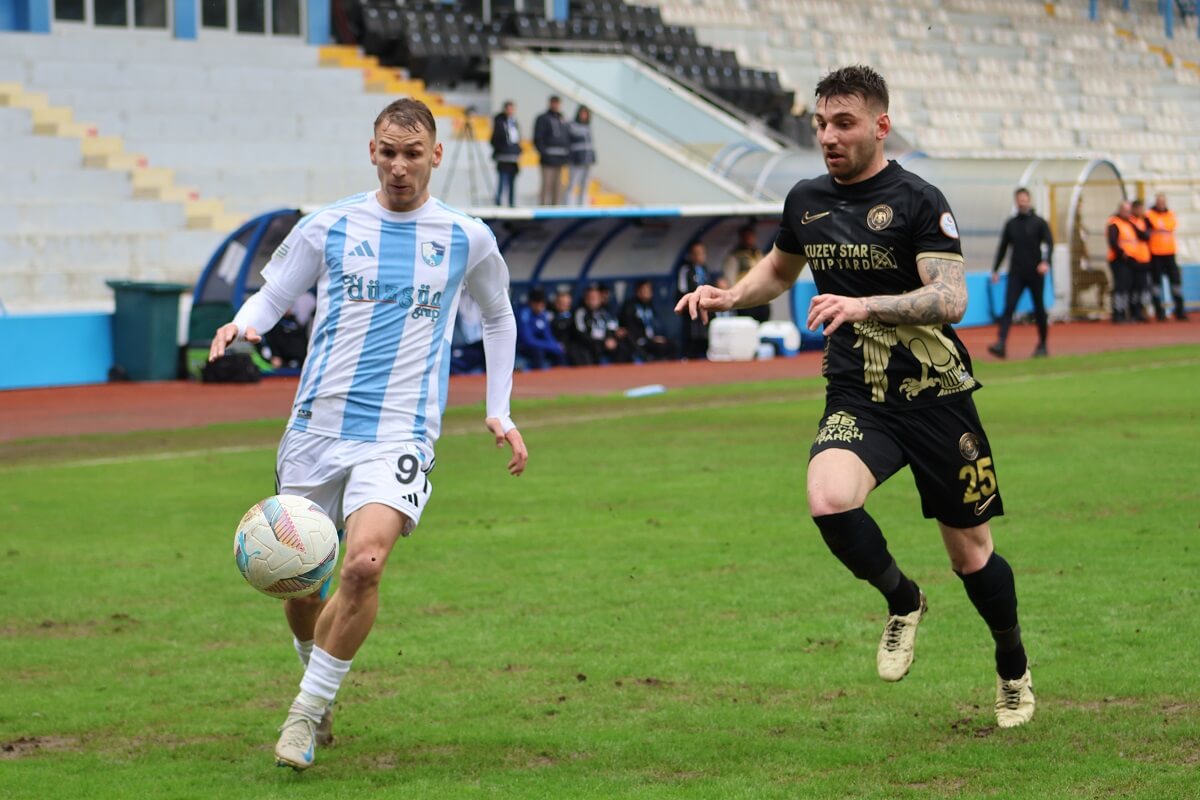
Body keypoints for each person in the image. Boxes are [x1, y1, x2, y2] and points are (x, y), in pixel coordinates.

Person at [676, 65, 1034, 729]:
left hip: (936, 397)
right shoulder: (805, 199)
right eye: (820, 124)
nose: (828, 136)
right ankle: (903, 599)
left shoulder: (919, 199)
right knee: (828, 499)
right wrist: (732, 295)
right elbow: (779, 268)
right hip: (859, 395)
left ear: (880, 125)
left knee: (971, 555)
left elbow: (951, 298)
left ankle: (1012, 664)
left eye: (843, 123)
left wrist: (865, 304)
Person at [208, 98, 529, 771]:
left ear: (435, 155)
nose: (399, 166)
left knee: (364, 564)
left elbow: (498, 317)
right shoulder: (328, 226)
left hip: (401, 433)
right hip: (315, 428)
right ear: (372, 151)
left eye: (412, 154)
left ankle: (303, 714)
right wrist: (246, 323)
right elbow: (275, 293)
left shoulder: (467, 237)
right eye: (388, 152)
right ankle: (316, 680)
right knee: (302, 583)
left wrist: (498, 409)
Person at [987, 188, 1054, 359]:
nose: (1022, 202)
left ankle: (1043, 344)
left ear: (1029, 200)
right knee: (1009, 306)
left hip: (1035, 273)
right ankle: (1001, 343)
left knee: (1039, 308)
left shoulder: (1039, 222)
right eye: (1019, 200)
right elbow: (1003, 248)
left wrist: (1045, 262)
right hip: (1016, 272)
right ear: (1016, 202)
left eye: (1025, 199)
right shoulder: (1011, 224)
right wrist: (995, 269)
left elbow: (1048, 243)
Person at [1146, 194, 1186, 321]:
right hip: (1155, 254)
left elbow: (1171, 226)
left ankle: (1180, 311)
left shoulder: (1170, 214)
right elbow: (1154, 227)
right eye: (1159, 202)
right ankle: (1159, 312)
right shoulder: (1149, 215)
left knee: (1176, 282)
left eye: (1163, 202)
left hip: (1169, 253)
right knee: (1156, 285)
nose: (1161, 204)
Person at [573, 282, 632, 364]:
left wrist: (613, 337)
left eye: (595, 297)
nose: (593, 300)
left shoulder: (604, 312)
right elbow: (581, 333)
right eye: (590, 297)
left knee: (624, 347)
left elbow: (612, 327)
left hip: (607, 342)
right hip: (591, 344)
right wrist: (602, 342)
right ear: (586, 298)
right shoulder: (580, 312)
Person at [723, 224, 770, 322]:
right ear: (742, 238)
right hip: (745, 301)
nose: (749, 239)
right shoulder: (735, 256)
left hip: (761, 300)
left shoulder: (758, 254)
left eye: (751, 236)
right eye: (746, 236)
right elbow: (730, 279)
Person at [619, 279, 675, 361]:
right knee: (659, 347)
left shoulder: (650, 306)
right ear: (638, 291)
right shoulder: (630, 307)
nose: (648, 293)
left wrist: (658, 336)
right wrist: (650, 339)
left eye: (649, 290)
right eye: (645, 290)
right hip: (640, 340)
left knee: (672, 344)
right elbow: (631, 328)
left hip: (653, 339)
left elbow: (657, 325)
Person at [674, 241, 711, 359]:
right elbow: (682, 290)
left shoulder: (705, 269)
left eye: (702, 253)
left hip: (704, 308)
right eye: (696, 253)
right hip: (691, 309)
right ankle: (688, 358)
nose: (699, 256)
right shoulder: (686, 270)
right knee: (691, 336)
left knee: (705, 337)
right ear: (691, 255)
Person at [533, 95, 570, 205]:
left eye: (557, 103)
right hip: (548, 159)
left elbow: (566, 137)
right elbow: (538, 137)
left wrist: (566, 155)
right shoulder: (543, 118)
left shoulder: (562, 119)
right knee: (546, 185)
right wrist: (544, 152)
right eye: (554, 103)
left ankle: (555, 208)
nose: (555, 105)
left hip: (559, 159)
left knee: (558, 187)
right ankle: (543, 207)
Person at [516, 287, 565, 369]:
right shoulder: (524, 314)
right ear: (531, 303)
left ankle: (561, 375)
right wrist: (548, 345)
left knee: (559, 352)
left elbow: (548, 335)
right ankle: (537, 376)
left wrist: (555, 345)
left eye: (542, 304)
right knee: (538, 352)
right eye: (537, 304)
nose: (540, 307)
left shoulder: (543, 314)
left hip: (541, 345)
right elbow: (528, 340)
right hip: (525, 347)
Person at [1106, 201, 1138, 324]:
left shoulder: (1130, 222)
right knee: (1120, 287)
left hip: (1130, 260)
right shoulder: (1114, 223)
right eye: (1126, 211)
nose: (1128, 213)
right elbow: (1113, 242)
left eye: (1129, 211)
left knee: (1128, 287)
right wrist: (1122, 253)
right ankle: (1118, 313)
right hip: (1118, 260)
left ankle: (1126, 312)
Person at [489, 101, 521, 207]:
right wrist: (501, 149)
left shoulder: (514, 122)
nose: (510, 111)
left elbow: (517, 138)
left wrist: (517, 150)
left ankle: (511, 203)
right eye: (508, 109)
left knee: (512, 182)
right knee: (502, 180)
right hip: (503, 157)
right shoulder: (500, 122)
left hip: (513, 157)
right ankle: (498, 202)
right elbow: (495, 138)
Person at [566, 105, 596, 206]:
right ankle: (568, 206)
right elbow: (569, 142)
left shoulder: (588, 127)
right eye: (582, 113)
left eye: (586, 113)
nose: (584, 115)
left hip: (587, 160)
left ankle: (582, 205)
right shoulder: (572, 126)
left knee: (585, 185)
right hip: (576, 160)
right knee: (572, 184)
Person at [1128, 199, 1153, 322]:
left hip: (1145, 258)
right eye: (1139, 209)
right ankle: (1134, 312)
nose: (1142, 211)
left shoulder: (1144, 220)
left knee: (1144, 287)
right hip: (1133, 259)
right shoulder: (1130, 221)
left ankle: (1142, 311)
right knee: (1134, 288)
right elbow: (1142, 235)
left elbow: (1148, 234)